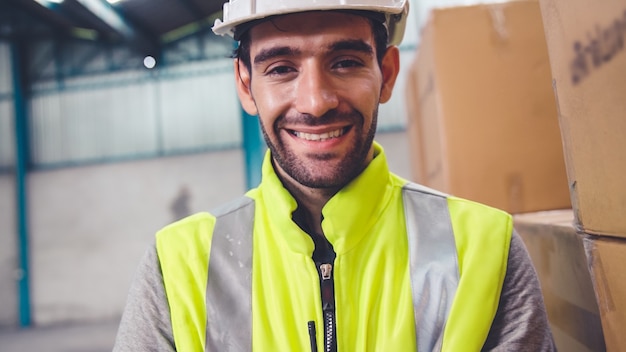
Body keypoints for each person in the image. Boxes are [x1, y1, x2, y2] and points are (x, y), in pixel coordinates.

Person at [113, 0, 556, 351]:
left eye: (344, 62)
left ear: (386, 74)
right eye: (281, 68)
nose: (316, 101)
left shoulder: (482, 248)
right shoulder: (178, 265)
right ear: (246, 85)